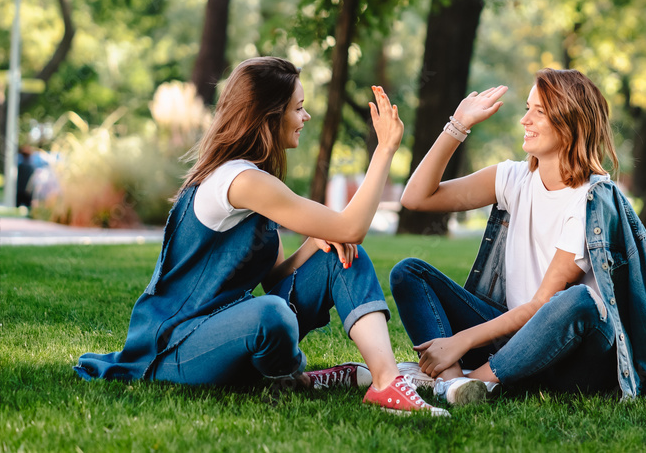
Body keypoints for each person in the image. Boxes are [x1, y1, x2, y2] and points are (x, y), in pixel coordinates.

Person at [75, 57, 447, 417]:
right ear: (269, 116)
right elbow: (353, 225)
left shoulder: (256, 179)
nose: (306, 117)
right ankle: (295, 378)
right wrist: (384, 150)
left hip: (228, 330)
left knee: (342, 254)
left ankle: (387, 382)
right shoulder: (240, 180)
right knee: (273, 313)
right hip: (176, 346)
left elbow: (276, 279)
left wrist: (316, 246)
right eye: (298, 108)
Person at [390, 68, 646, 406]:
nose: (524, 120)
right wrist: (457, 126)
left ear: (571, 122)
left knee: (579, 300)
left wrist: (462, 340)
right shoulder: (514, 178)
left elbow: (543, 303)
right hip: (513, 342)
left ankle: (475, 380)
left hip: (574, 357)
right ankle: (452, 385)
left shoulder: (590, 199)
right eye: (528, 108)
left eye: (539, 111)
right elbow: (416, 198)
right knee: (409, 273)